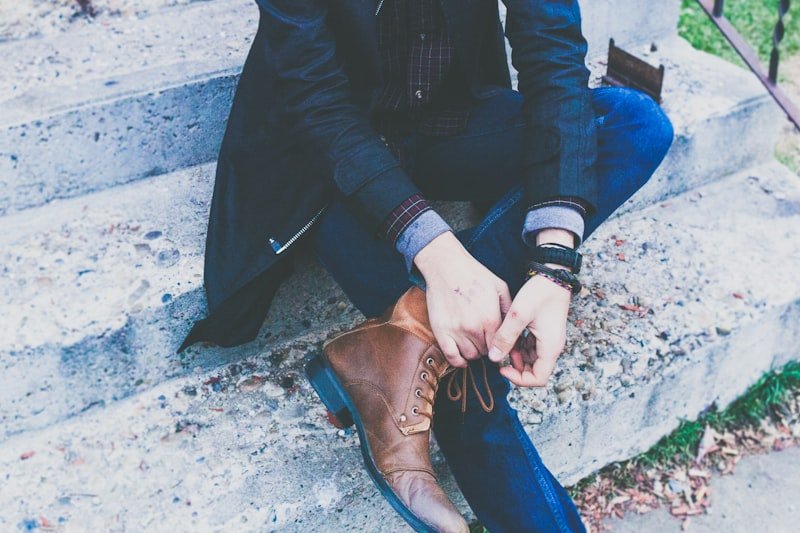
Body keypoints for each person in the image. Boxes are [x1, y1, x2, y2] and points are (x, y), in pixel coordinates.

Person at [179, 1, 674, 531]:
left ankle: (406, 339)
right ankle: (422, 347)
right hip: (324, 163)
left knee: (635, 123)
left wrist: (555, 263)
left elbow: (552, 51)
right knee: (468, 372)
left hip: (442, 120)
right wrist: (439, 258)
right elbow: (313, 97)